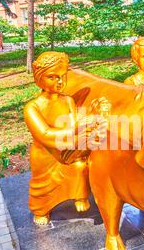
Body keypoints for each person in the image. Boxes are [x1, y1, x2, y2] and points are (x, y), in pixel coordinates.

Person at [24, 51, 106, 225]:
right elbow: (45, 135)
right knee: (42, 191)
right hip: (46, 156)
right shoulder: (33, 107)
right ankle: (42, 209)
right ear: (39, 78)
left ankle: (80, 195)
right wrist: (77, 136)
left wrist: (92, 116)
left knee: (81, 165)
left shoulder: (68, 101)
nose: (60, 82)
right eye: (52, 77)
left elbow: (74, 124)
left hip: (67, 150)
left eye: (63, 76)